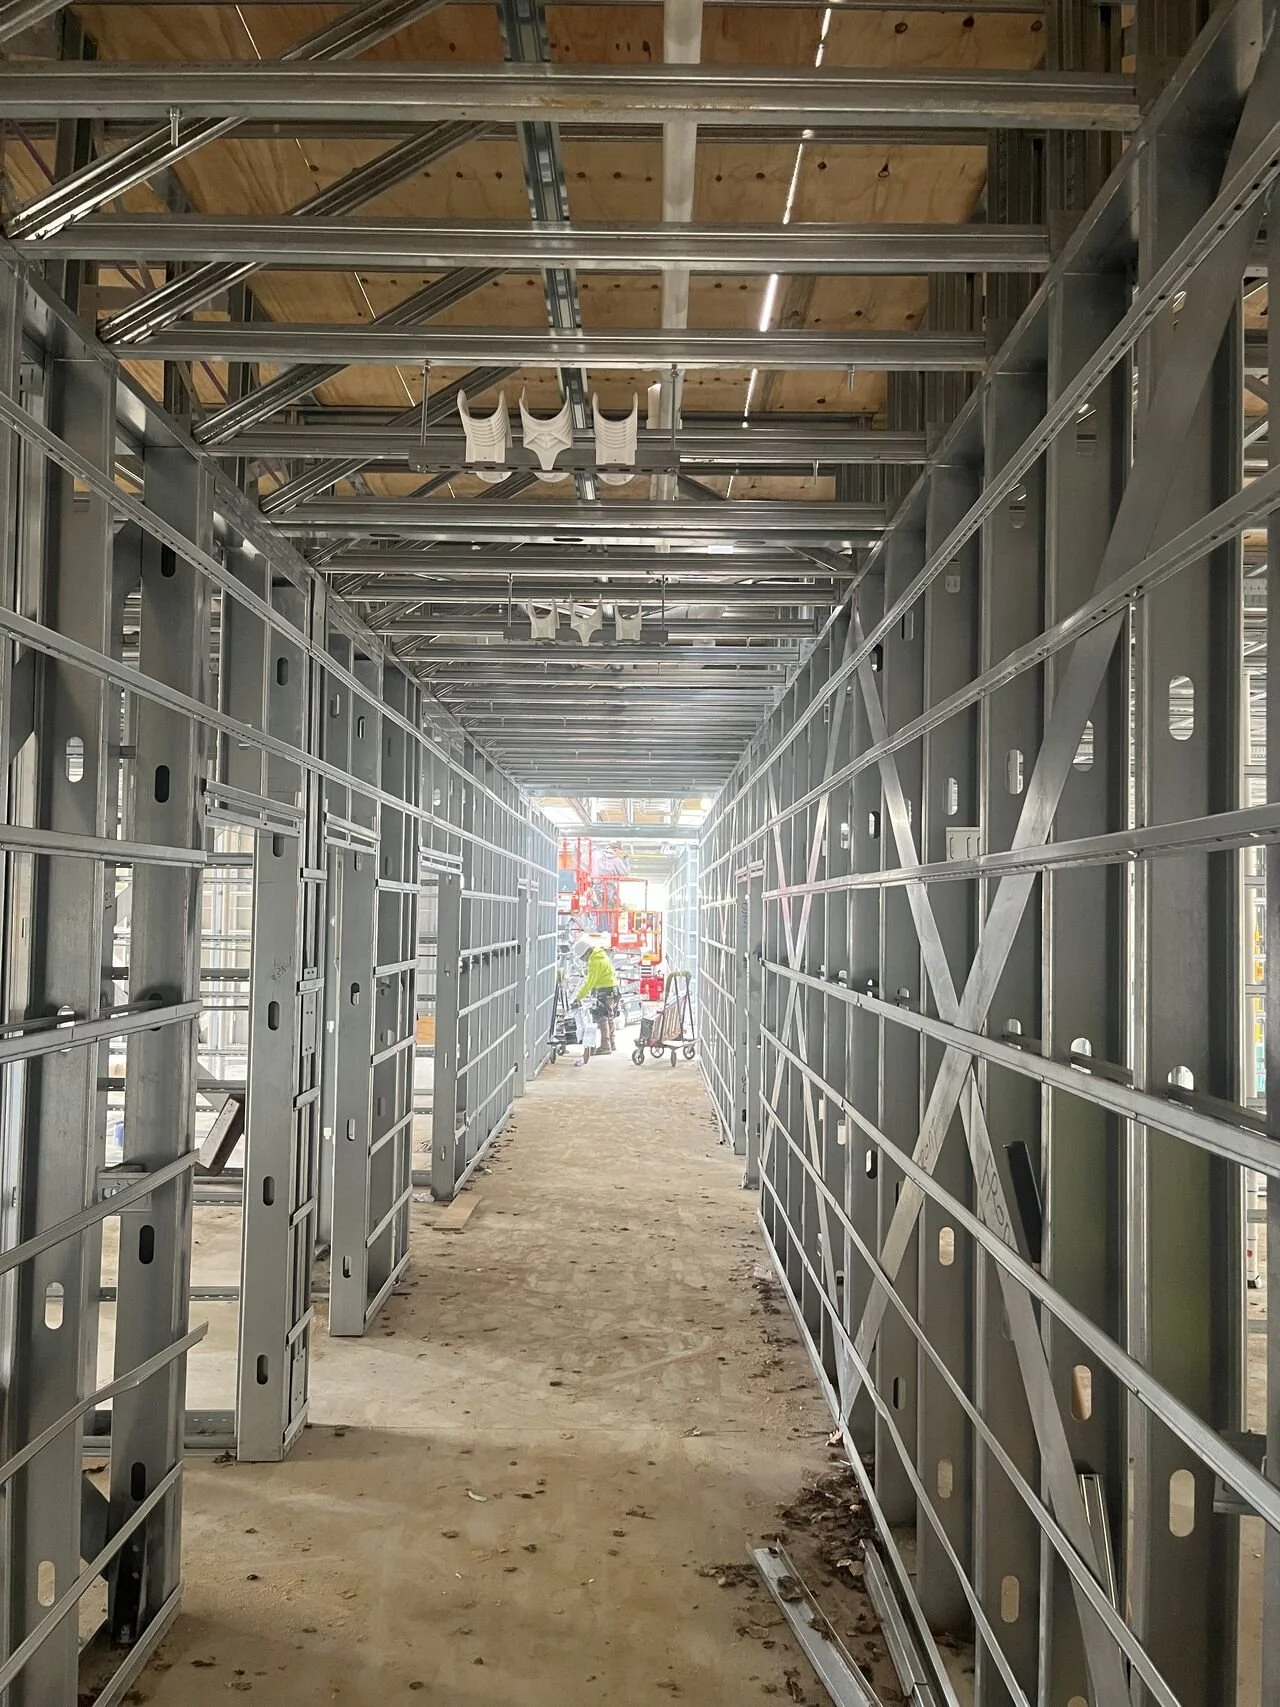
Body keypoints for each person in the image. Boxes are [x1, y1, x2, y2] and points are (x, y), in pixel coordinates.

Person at [573, 934, 620, 1054]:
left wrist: (578, 997)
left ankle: (605, 1046)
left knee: (601, 1018)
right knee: (609, 1017)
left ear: (586, 953)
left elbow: (589, 982)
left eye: (583, 958)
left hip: (605, 992)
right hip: (613, 991)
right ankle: (612, 1043)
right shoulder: (601, 955)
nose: (584, 960)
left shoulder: (594, 962)